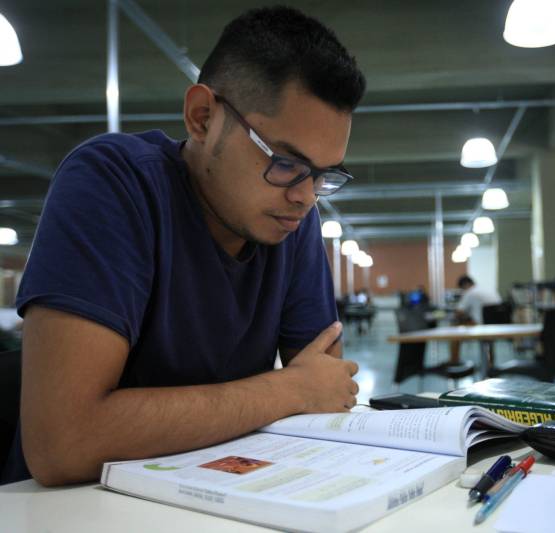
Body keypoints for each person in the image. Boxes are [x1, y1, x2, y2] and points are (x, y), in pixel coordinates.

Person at [1, 6, 366, 487]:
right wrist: (287, 389)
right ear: (202, 117)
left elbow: (325, 392)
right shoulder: (113, 183)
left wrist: (299, 391)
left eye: (324, 174)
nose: (305, 194)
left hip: (215, 495)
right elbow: (63, 445)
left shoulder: (290, 219)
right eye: (285, 161)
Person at [450, 275, 502, 364]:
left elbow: (459, 312)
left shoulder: (470, 292)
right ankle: (491, 362)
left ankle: (454, 362)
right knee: (488, 338)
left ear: (465, 284)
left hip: (480, 325)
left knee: (453, 332)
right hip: (496, 325)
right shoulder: (488, 289)